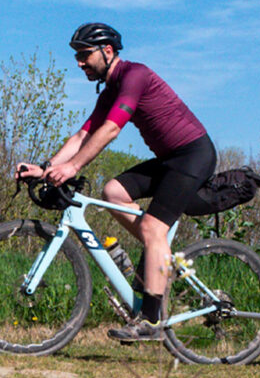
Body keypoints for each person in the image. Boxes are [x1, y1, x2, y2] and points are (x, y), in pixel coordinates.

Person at [16, 23, 216, 341]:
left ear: (107, 52)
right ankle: (160, 259)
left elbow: (110, 129)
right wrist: (47, 168)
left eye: (84, 55)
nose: (79, 63)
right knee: (113, 191)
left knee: (153, 229)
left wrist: (73, 168)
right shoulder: (110, 89)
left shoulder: (134, 75)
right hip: (169, 160)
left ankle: (151, 323)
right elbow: (83, 134)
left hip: (192, 155)